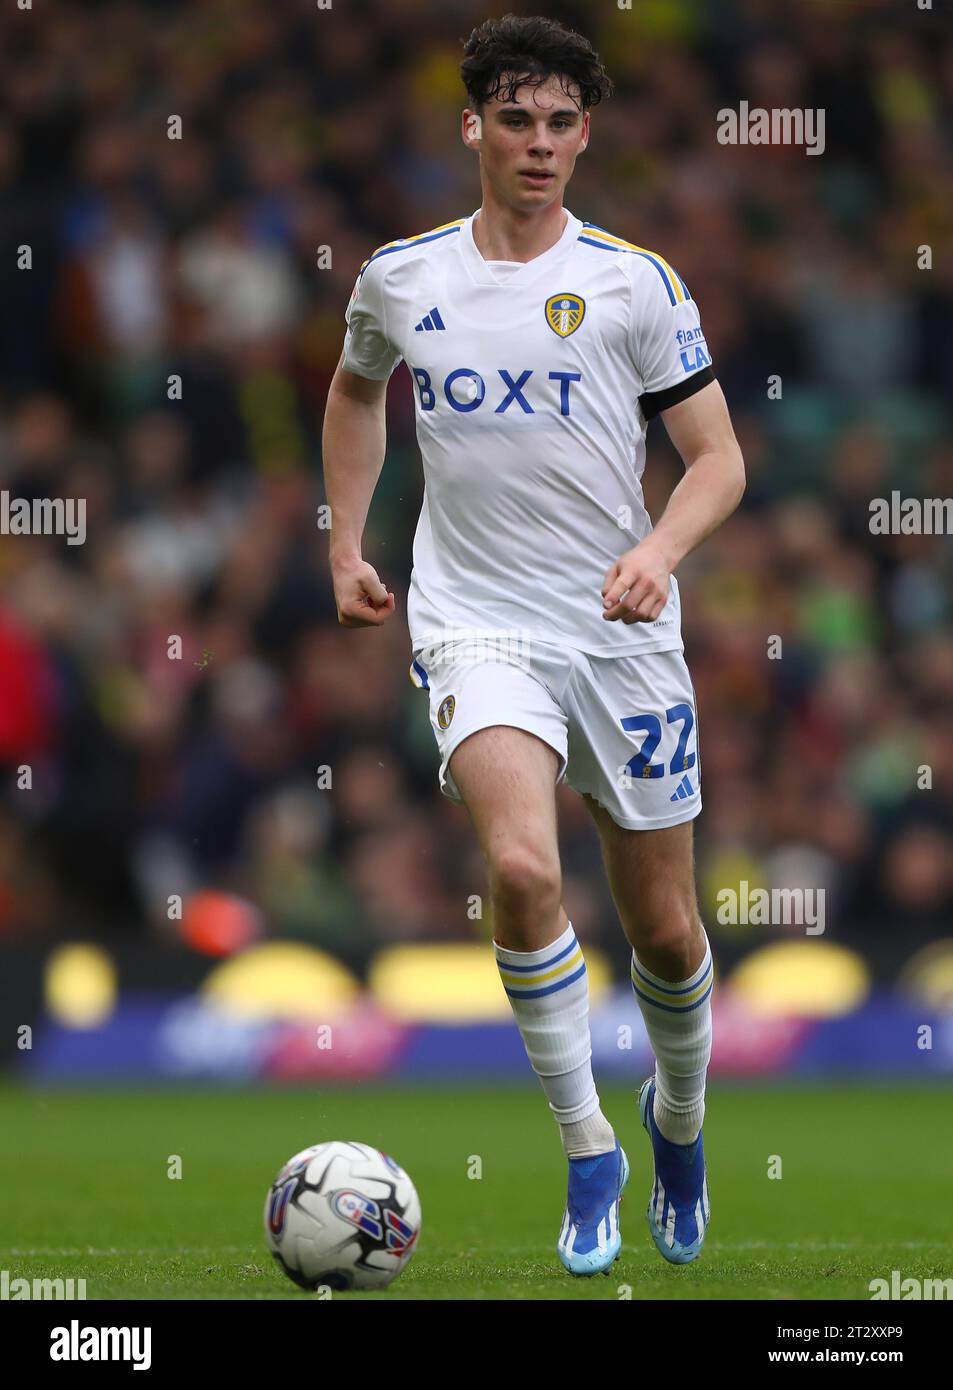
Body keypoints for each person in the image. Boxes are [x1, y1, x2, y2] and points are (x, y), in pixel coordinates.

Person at [322, 13, 745, 1277]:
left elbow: (718, 459)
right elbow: (353, 394)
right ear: (473, 127)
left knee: (664, 930)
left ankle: (676, 1123)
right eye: (516, 118)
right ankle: (585, 1149)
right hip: (476, 620)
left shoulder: (635, 281)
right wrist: (347, 544)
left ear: (584, 135)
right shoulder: (402, 277)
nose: (541, 144)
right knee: (516, 867)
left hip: (619, 628)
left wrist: (657, 553)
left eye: (563, 122)